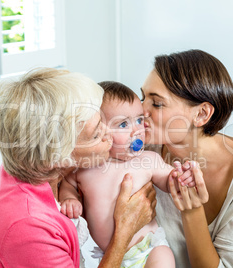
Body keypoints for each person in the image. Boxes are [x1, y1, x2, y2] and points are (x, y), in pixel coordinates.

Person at [0, 68, 158, 268]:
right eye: (96, 134)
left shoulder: (30, 156)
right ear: (58, 156)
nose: (110, 136)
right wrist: (123, 233)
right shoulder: (29, 229)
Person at [141, 49, 233, 268]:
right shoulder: (144, 147)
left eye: (157, 103)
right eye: (142, 97)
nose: (140, 110)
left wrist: (192, 211)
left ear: (201, 114)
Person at [59, 81, 194, 268]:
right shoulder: (86, 167)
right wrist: (69, 198)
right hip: (112, 257)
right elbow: (68, 183)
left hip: (149, 249)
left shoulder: (148, 160)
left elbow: (169, 180)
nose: (136, 130)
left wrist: (181, 178)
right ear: (99, 130)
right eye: (123, 124)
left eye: (139, 120)